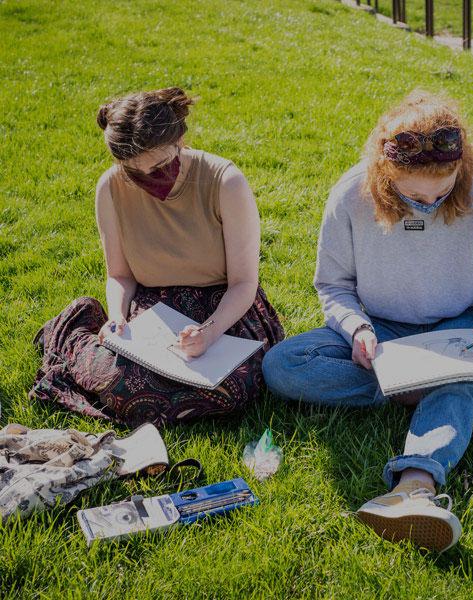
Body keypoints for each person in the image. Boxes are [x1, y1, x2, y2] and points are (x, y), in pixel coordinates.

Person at [262, 90, 473, 552]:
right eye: (415, 194)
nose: (429, 202)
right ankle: (452, 390)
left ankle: (415, 485)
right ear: (386, 172)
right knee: (283, 365)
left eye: (442, 192)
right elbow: (334, 287)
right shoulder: (350, 196)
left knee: (464, 368)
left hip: (456, 326)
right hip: (379, 327)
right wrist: (357, 328)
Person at [30, 87, 284, 427]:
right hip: (155, 312)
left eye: (162, 165)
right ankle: (79, 326)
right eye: (138, 172)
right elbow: (120, 274)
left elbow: (243, 282)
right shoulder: (111, 188)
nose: (153, 180)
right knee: (122, 383)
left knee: (234, 390)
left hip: (226, 308)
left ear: (179, 140)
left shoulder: (225, 182)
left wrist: (209, 333)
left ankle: (77, 347)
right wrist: (118, 316)